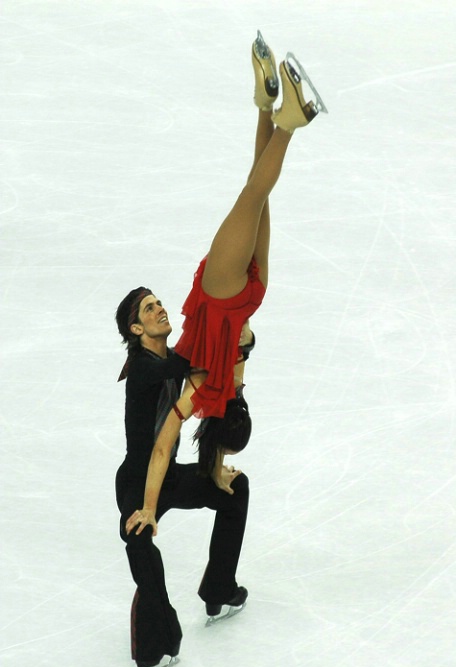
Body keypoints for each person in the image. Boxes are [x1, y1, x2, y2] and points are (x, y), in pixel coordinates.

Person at [126, 31, 327, 540]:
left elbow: (242, 349)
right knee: (254, 190)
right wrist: (150, 506)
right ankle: (291, 120)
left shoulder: (232, 385)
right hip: (219, 293)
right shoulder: (197, 395)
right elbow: (162, 448)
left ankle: (268, 102)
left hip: (251, 292)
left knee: (256, 195)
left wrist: (216, 470)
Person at [115, 288, 255, 667]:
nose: (160, 309)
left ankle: (219, 590)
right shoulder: (143, 367)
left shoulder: (170, 360)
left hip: (170, 473)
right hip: (138, 483)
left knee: (235, 491)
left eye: (158, 303)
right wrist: (234, 338)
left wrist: (241, 341)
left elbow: (198, 366)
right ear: (136, 328)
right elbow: (193, 364)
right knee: (139, 539)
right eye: (149, 308)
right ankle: (153, 646)